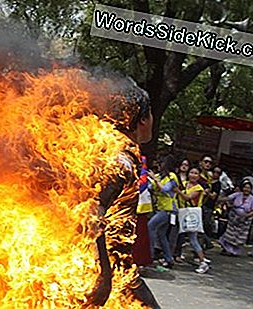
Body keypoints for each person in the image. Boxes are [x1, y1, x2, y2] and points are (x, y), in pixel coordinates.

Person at [86, 76, 160, 308]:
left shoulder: (117, 152)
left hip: (120, 266)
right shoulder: (122, 161)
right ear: (142, 119)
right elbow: (92, 211)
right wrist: (103, 273)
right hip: (107, 266)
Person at [174, 166, 211, 273]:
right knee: (178, 236)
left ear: (199, 176)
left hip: (191, 215)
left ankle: (202, 261)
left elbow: (188, 197)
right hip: (182, 213)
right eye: (191, 172)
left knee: (193, 239)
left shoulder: (199, 188)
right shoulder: (184, 184)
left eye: (196, 173)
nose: (193, 175)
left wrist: (178, 191)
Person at [148, 155, 179, 268]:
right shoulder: (159, 176)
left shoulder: (172, 177)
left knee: (150, 226)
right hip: (160, 208)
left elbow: (165, 189)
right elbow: (150, 187)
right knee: (161, 234)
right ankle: (168, 258)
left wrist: (155, 180)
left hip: (169, 209)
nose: (159, 166)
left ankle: (149, 255)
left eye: (161, 163)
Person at [218, 180, 253, 256]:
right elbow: (228, 198)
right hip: (234, 218)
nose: (246, 189)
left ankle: (235, 252)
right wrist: (219, 198)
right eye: (245, 187)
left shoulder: (252, 198)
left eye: (248, 188)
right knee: (230, 235)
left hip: (245, 220)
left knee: (239, 236)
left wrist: (245, 216)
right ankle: (227, 250)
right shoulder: (237, 195)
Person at [201, 166, 222, 249]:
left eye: (218, 173)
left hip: (209, 206)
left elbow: (213, 196)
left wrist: (207, 192)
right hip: (202, 204)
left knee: (205, 225)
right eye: (214, 172)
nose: (215, 174)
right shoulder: (208, 180)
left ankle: (207, 241)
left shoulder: (217, 184)